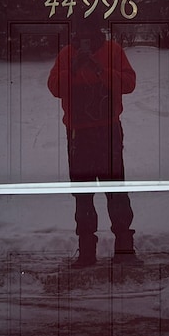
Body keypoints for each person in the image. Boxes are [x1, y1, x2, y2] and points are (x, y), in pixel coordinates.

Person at [47, 21, 136, 266]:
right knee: (83, 195)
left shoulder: (113, 51)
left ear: (99, 33)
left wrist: (100, 70)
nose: (85, 38)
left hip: (108, 131)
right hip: (78, 136)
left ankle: (124, 249)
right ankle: (87, 251)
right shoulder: (67, 54)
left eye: (90, 33)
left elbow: (129, 84)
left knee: (116, 191)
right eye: (81, 34)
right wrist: (74, 67)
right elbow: (54, 87)